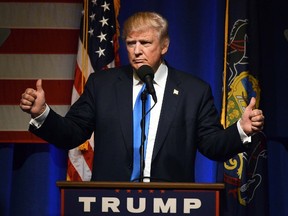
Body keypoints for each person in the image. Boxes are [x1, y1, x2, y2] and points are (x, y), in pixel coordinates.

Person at [19, 11, 264, 182]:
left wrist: (240, 130)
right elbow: (72, 133)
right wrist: (42, 114)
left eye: (145, 43)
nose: (136, 51)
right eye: (130, 43)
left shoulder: (193, 91)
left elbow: (212, 146)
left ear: (164, 46)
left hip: (171, 203)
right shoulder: (102, 85)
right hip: (110, 200)